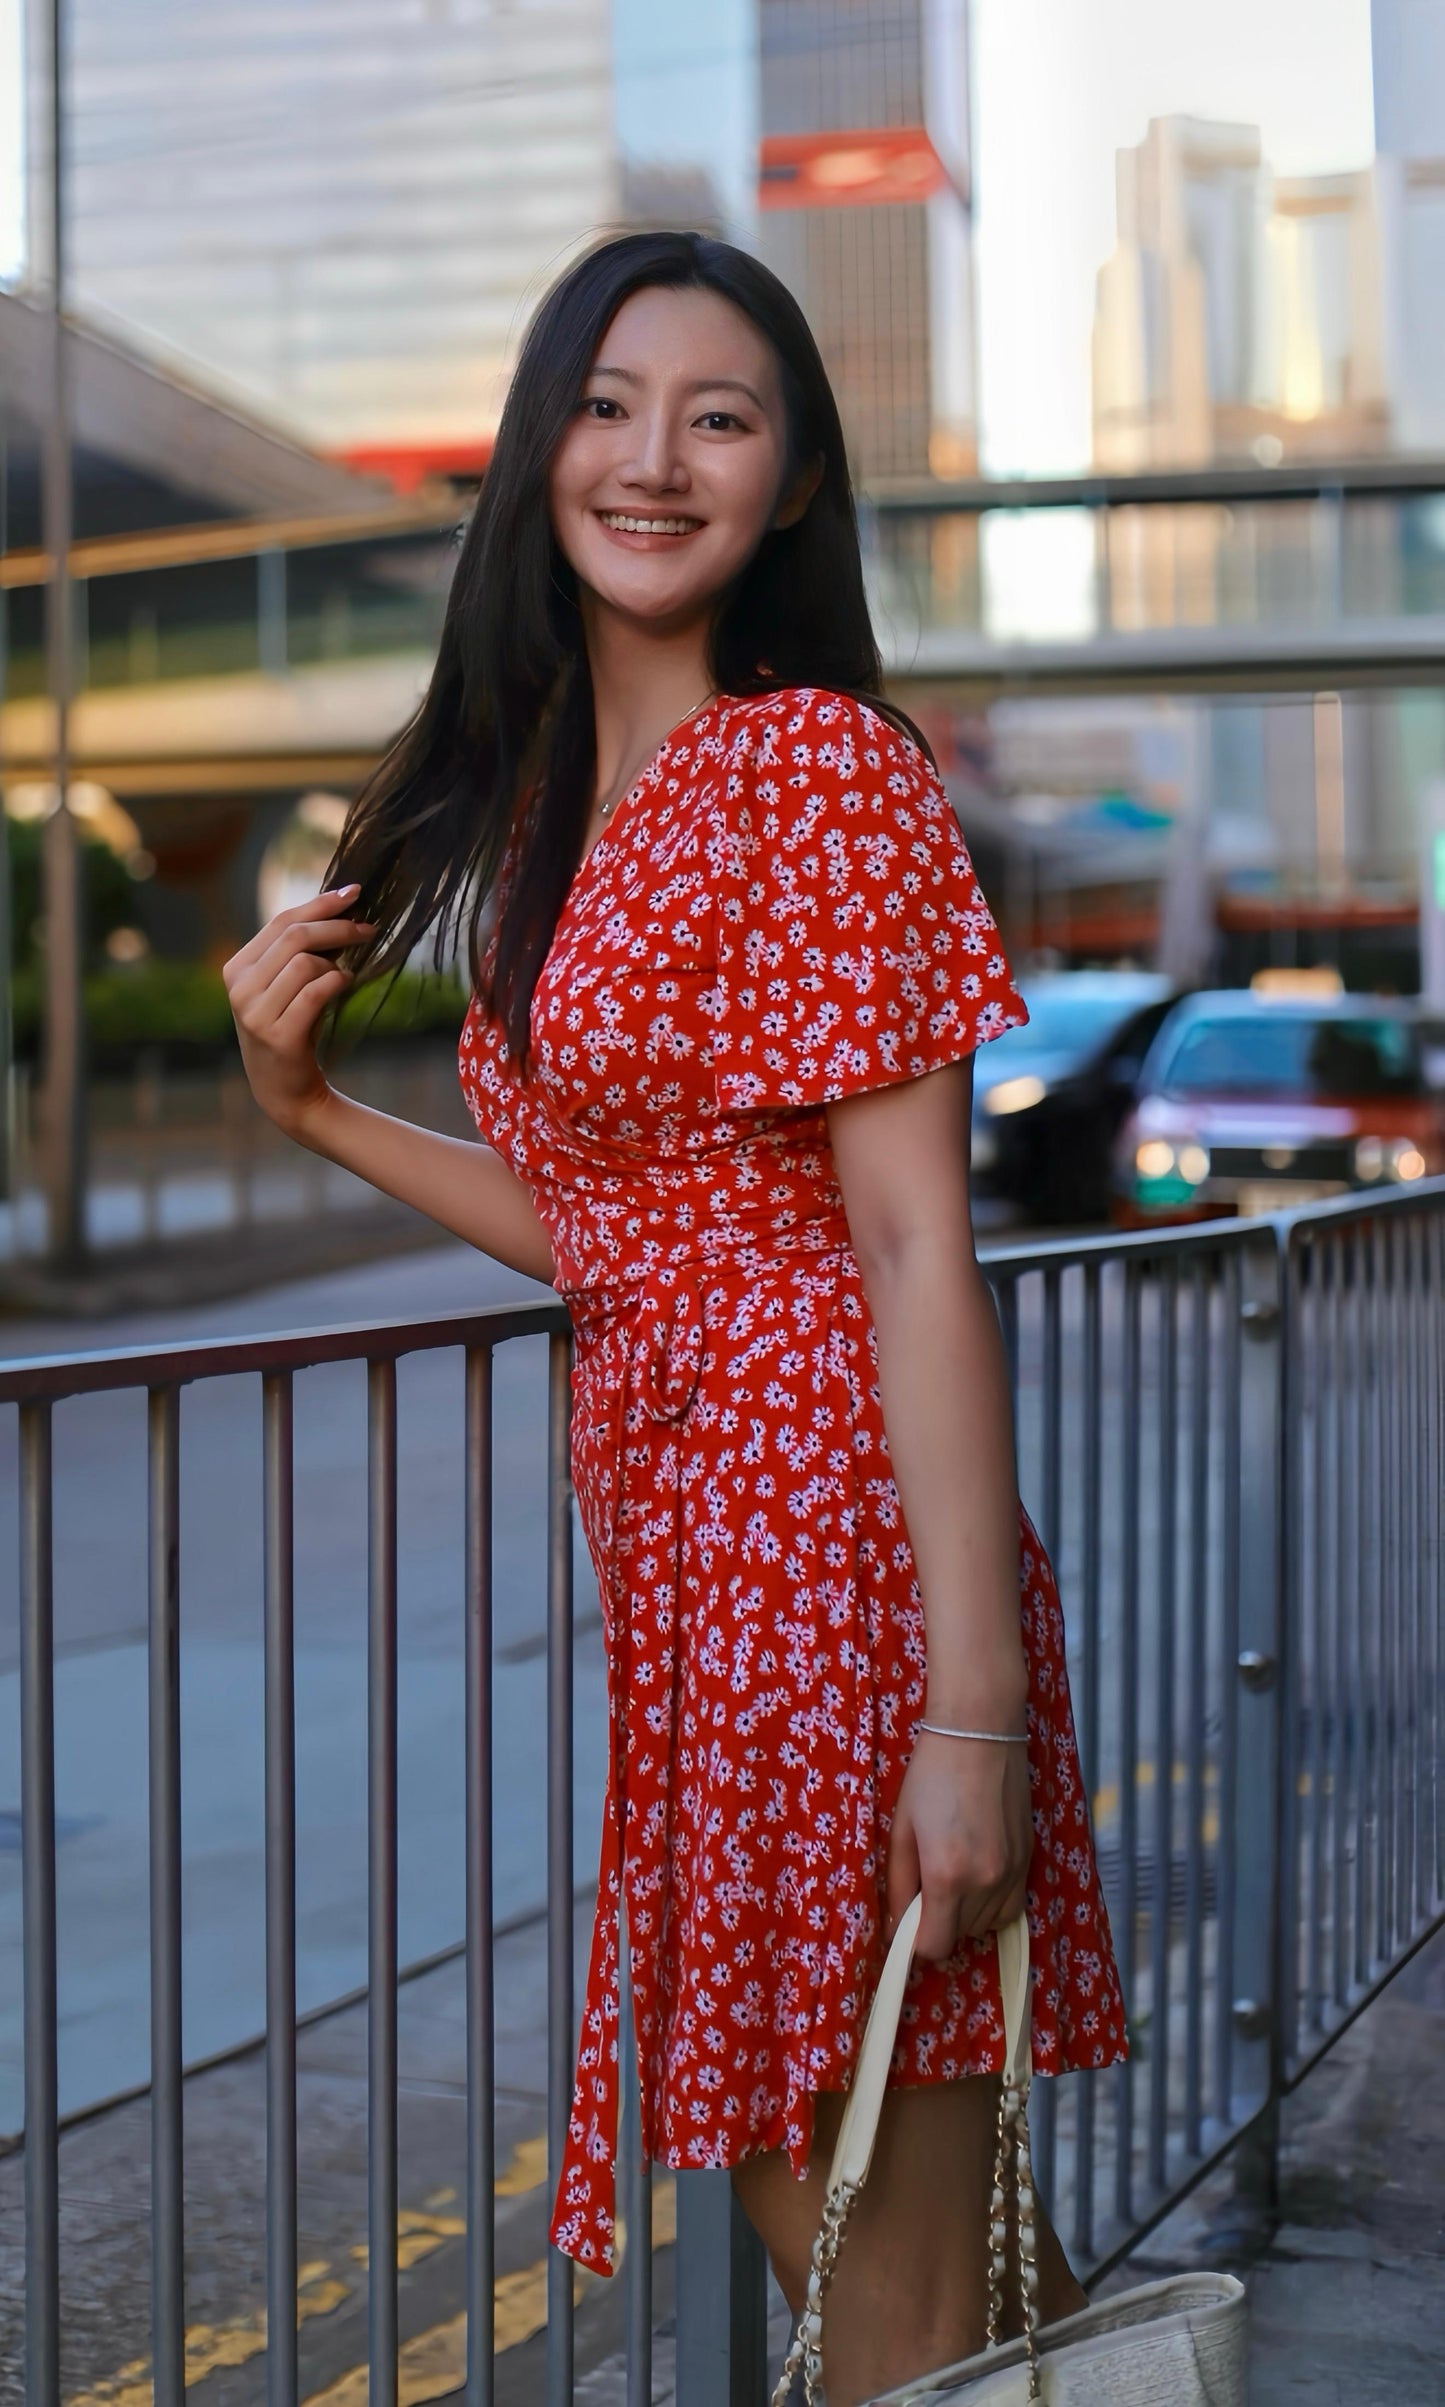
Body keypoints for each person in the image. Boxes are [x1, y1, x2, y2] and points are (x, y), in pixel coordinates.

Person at [224, 230, 1125, 2405]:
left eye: (719, 416)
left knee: (881, 2289)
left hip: (829, 1558)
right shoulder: (557, 806)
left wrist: (975, 1716)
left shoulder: (820, 769)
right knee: (903, 2254)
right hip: (696, 1575)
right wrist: (308, 1105)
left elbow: (911, 1242)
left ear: (793, 483)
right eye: (609, 404)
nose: (654, 457)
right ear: (538, 449)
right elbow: (611, 1228)